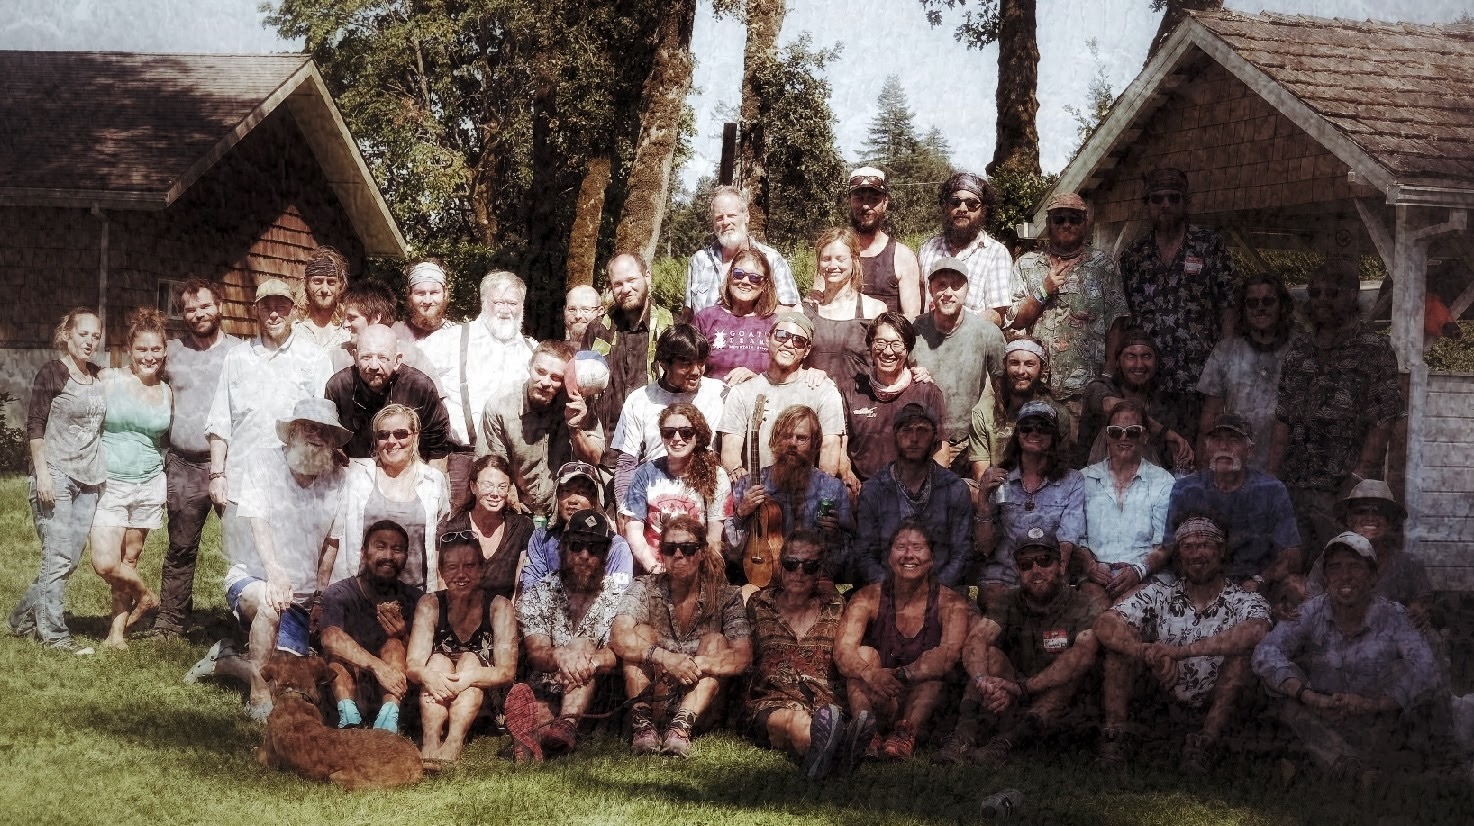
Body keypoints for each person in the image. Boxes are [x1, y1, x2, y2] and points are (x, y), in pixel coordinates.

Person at [189, 398, 350, 721]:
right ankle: (258, 699)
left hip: (301, 596)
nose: (316, 436)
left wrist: (319, 595)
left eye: (325, 431)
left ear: (333, 441)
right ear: (291, 435)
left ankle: (226, 661)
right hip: (254, 578)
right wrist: (274, 574)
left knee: (293, 677)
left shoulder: (337, 478)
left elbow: (332, 543)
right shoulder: (264, 463)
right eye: (308, 428)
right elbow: (258, 524)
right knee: (269, 603)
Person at [1253, 532, 1446, 780]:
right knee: (1275, 683)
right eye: (1335, 568)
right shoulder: (1312, 610)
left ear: (1373, 576)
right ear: (1326, 577)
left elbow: (1426, 667)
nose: (1345, 576)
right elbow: (1266, 651)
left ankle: (1328, 762)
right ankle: (1347, 766)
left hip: (1375, 719)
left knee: (1408, 674)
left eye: (1355, 566)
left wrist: (1372, 704)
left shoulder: (1394, 615)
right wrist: (1309, 696)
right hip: (1322, 715)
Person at [1095, 515, 1272, 773]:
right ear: (1179, 555)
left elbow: (1257, 630)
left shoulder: (1243, 599)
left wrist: (1178, 652)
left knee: (1241, 656)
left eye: (1205, 545)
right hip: (1163, 695)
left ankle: (1205, 743)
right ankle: (1115, 738)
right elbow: (1105, 623)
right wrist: (1145, 652)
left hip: (1216, 699)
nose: (1196, 554)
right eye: (1188, 547)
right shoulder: (1160, 594)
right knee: (1118, 649)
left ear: (1221, 551)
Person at [1271, 266, 1403, 567]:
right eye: (1314, 293)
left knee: (1343, 566)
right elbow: (1283, 416)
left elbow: (1384, 418)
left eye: (1332, 292)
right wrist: (1273, 476)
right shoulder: (1299, 348)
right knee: (1294, 567)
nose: (1321, 300)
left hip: (1341, 488)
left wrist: (1358, 476)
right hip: (1295, 483)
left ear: (1352, 295)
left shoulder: (1375, 348)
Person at [938, 531, 1103, 766]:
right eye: (1026, 564)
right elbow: (978, 639)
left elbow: (1083, 655)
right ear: (1018, 571)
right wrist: (982, 679)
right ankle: (963, 736)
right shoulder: (1009, 599)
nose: (1036, 570)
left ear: (1061, 565)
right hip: (1016, 693)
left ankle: (1007, 743)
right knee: (991, 656)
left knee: (1070, 671)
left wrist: (1022, 688)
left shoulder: (1081, 604)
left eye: (1044, 561)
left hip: (1064, 707)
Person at [610, 516, 753, 757]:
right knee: (640, 633)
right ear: (661, 553)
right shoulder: (644, 587)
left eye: (687, 549)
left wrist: (697, 663)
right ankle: (643, 726)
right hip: (655, 692)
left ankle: (680, 728)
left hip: (701, 703)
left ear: (701, 553)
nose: (678, 555)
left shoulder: (726, 595)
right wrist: (665, 658)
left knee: (715, 641)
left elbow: (743, 656)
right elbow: (619, 635)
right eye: (670, 548)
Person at [7, 307, 107, 654]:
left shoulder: (97, 376)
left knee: (68, 559)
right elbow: (35, 425)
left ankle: (20, 618)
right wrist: (43, 473)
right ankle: (54, 635)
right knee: (57, 556)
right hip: (57, 476)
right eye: (84, 334)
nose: (90, 341)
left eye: (96, 336)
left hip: (89, 480)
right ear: (67, 334)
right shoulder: (52, 373)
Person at [833, 522, 972, 763]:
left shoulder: (951, 602)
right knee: (864, 654)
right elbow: (843, 650)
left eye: (917, 547)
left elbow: (949, 654)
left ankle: (905, 735)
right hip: (881, 694)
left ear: (931, 557)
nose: (909, 555)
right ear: (889, 556)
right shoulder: (868, 596)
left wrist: (902, 675)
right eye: (901, 547)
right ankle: (867, 733)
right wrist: (870, 674)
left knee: (933, 671)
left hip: (924, 702)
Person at [150, 280, 240, 638]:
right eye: (189, 309)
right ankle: (171, 621)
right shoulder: (171, 352)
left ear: (220, 306)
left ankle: (247, 620)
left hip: (230, 466)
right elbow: (139, 373)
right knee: (181, 547)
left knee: (243, 544)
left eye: (204, 306)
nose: (198, 314)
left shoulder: (240, 353)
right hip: (184, 464)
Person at [1117, 167, 1236, 438]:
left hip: (1200, 379)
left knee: (1197, 456)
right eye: (1157, 199)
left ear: (1186, 202)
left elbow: (1228, 305)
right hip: (1147, 381)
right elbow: (1124, 317)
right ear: (1147, 205)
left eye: (1174, 198)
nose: (1166, 205)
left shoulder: (1209, 246)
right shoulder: (1133, 256)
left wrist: (1227, 362)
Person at [204, 277, 333, 526]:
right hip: (241, 486)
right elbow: (220, 422)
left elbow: (325, 427)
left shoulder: (314, 358)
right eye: (266, 307)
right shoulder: (236, 358)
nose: (274, 314)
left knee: (288, 563)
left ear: (294, 311)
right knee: (240, 562)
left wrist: (312, 476)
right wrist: (217, 474)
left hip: (294, 487)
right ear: (256, 311)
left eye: (281, 307)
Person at [1004, 192, 1128, 430]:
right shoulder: (1027, 264)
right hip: (1036, 389)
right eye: (1059, 219)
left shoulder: (1103, 265)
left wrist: (1109, 375)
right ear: (1048, 223)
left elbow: (1117, 323)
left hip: (1085, 389)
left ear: (1086, 223)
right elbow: (1016, 320)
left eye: (1075, 219)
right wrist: (1044, 289)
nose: (1067, 224)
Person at [514, 508, 630, 758]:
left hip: (597, 688)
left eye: (595, 548)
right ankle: (544, 735)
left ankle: (565, 725)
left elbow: (618, 650)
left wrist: (589, 660)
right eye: (577, 546)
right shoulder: (538, 594)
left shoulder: (620, 597)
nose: (585, 555)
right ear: (563, 548)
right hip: (548, 684)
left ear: (605, 554)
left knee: (582, 646)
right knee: (539, 713)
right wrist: (561, 656)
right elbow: (536, 653)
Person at [89, 309, 172, 650]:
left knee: (130, 559)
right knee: (105, 562)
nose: (149, 357)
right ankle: (147, 596)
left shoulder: (167, 390)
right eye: (142, 350)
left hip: (150, 482)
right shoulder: (109, 379)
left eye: (155, 350)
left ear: (164, 351)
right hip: (111, 480)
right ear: (130, 349)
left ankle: (116, 634)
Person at [421, 270, 536, 511]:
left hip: (513, 469)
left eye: (512, 303)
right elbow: (409, 361)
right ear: (484, 303)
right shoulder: (453, 339)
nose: (505, 309)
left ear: (522, 306)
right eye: (498, 302)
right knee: (451, 537)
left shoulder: (531, 351)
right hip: (462, 461)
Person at [744, 530, 849, 779]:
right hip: (771, 703)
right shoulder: (758, 605)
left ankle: (826, 754)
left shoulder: (836, 607)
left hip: (826, 704)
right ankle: (832, 762)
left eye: (809, 566)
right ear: (781, 566)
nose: (799, 572)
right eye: (791, 564)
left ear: (820, 570)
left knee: (820, 719)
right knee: (797, 722)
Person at [405, 532, 517, 764]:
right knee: (436, 662)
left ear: (481, 568)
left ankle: (454, 741)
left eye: (469, 566)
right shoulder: (430, 604)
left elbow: (506, 672)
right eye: (453, 567)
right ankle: (431, 740)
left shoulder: (499, 606)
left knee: (469, 659)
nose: (461, 575)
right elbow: (413, 665)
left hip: (484, 698)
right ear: (442, 572)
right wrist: (428, 675)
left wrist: (466, 678)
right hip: (439, 691)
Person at [1168, 412, 1301, 600]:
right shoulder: (1185, 489)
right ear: (1206, 447)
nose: (1223, 447)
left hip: (1254, 586)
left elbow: (1291, 556)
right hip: (1198, 584)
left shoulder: (1272, 490)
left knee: (1297, 588)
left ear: (1249, 450)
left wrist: (1260, 580)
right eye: (1216, 440)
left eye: (1234, 440)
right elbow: (1170, 548)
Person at [975, 401, 1085, 610]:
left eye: (1042, 427)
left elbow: (1068, 537)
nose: (1034, 432)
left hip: (1050, 572)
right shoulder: (999, 478)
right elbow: (985, 547)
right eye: (1027, 427)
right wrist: (983, 500)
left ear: (1054, 436)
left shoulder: (1073, 481)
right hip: (1005, 573)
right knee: (997, 606)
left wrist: (1046, 575)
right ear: (1017, 434)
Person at [853, 403, 973, 589]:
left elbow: (962, 552)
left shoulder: (954, 488)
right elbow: (865, 554)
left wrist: (934, 592)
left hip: (942, 590)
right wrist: (891, 591)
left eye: (922, 431)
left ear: (934, 437)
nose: (914, 438)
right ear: (895, 436)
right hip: (887, 590)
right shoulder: (874, 490)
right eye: (906, 430)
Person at [727, 406, 853, 582]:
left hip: (812, 583)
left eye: (801, 438)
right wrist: (740, 515)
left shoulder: (832, 489)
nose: (792, 443)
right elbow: (732, 554)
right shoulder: (749, 484)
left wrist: (834, 535)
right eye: (786, 436)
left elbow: (847, 560)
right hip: (761, 579)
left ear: (815, 445)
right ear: (775, 440)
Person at [319, 520, 423, 732]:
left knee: (394, 645)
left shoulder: (414, 599)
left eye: (397, 549)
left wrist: (404, 636)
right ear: (363, 552)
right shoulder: (339, 593)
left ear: (405, 558)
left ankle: (388, 720)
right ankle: (348, 718)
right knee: (338, 656)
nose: (388, 556)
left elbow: (422, 655)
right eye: (380, 546)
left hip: (393, 688)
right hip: (348, 684)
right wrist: (376, 666)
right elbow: (329, 637)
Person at [334, 404, 451, 591]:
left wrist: (439, 597)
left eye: (401, 434)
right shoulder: (356, 476)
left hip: (416, 595)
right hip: (362, 596)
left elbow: (439, 545)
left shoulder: (433, 481)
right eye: (383, 435)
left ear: (415, 436)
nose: (391, 441)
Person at [481, 339, 603, 517]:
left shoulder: (578, 402)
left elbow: (594, 458)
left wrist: (575, 428)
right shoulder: (501, 405)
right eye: (540, 372)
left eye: (556, 378)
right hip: (517, 508)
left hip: (565, 511)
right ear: (529, 366)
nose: (546, 382)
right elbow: (493, 466)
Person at [609, 324, 726, 509]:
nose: (696, 371)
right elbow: (626, 463)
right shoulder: (640, 399)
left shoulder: (719, 393)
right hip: (650, 496)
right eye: (686, 364)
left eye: (701, 362)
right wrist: (626, 510)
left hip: (700, 495)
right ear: (664, 363)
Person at [717, 313, 846, 476]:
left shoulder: (823, 391)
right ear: (767, 338)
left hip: (805, 493)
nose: (789, 344)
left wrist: (819, 492)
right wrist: (746, 485)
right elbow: (730, 452)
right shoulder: (743, 392)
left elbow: (830, 447)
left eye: (798, 341)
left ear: (806, 350)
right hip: (757, 493)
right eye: (782, 336)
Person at [911, 257, 1006, 474]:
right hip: (925, 441)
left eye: (956, 285)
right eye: (941, 285)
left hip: (971, 443)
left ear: (967, 290)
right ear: (930, 288)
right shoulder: (913, 330)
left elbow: (1004, 392)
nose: (948, 292)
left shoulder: (987, 333)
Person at [1195, 273, 1297, 469]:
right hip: (1233, 467)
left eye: (1268, 301)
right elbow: (1210, 415)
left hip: (1286, 467)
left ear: (1282, 306)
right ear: (1243, 308)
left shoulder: (1299, 350)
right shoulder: (1225, 351)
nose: (1260, 307)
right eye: (1252, 302)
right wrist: (1202, 470)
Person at [1078, 400, 1175, 604]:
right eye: (1115, 432)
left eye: (1132, 432)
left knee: (1124, 614)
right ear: (1106, 436)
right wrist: (1091, 566)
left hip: (1147, 577)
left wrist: (1138, 571)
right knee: (1094, 613)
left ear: (1145, 436)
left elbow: (1166, 544)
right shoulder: (1084, 479)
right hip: (1096, 577)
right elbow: (1077, 538)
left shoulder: (1163, 481)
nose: (1123, 437)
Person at [622, 404, 732, 575]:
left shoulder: (716, 475)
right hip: (655, 568)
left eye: (686, 432)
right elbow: (634, 531)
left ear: (698, 435)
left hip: (696, 570)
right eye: (669, 432)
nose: (677, 438)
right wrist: (653, 567)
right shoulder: (645, 473)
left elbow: (714, 539)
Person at [1306, 480, 1432, 630]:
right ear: (1349, 520)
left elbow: (1422, 608)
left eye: (1379, 511)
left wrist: (1418, 613)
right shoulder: (1327, 562)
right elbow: (1310, 606)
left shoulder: (1410, 564)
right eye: (1362, 510)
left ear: (1390, 522)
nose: (1370, 517)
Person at [840, 312, 946, 484]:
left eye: (897, 344)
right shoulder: (850, 390)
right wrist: (847, 475)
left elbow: (941, 452)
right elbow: (841, 447)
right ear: (870, 346)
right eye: (880, 342)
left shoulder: (927, 392)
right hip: (863, 487)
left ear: (908, 349)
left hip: (912, 489)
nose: (888, 351)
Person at [324, 324, 455, 462]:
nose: (374, 366)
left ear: (397, 360)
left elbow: (437, 449)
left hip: (409, 470)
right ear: (356, 357)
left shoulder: (419, 387)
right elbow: (330, 444)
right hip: (356, 472)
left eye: (382, 358)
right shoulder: (337, 388)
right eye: (366, 357)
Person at [583, 253, 674, 437]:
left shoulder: (671, 328)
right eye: (618, 284)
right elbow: (583, 387)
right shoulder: (597, 330)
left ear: (647, 276)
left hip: (657, 446)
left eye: (631, 280)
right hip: (607, 450)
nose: (625, 289)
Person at [1078, 329, 1193, 472]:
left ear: (1156, 362)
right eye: (1130, 356)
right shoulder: (1098, 388)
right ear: (1118, 362)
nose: (1139, 364)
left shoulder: (1165, 407)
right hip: (1097, 483)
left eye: (1146, 356)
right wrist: (1165, 433)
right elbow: (1113, 407)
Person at [916, 172, 1015, 325]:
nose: (962, 208)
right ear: (946, 207)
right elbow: (918, 302)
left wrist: (957, 331)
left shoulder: (996, 253)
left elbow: (997, 314)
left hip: (971, 342)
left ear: (984, 211)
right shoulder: (928, 249)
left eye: (972, 204)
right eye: (955, 202)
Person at [521, 462, 635, 591]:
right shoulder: (542, 538)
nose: (573, 500)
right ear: (557, 497)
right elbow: (530, 588)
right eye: (566, 491)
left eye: (581, 492)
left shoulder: (616, 545)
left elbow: (619, 596)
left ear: (594, 501)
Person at [685, 185, 799, 315]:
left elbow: (791, 312)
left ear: (746, 217)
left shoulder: (772, 259)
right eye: (719, 217)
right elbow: (688, 314)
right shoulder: (700, 260)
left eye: (731, 215)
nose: (725, 222)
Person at [968, 338, 1072, 473]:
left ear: (1042, 370)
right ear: (1004, 366)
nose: (1020, 371)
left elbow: (1060, 468)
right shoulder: (984, 412)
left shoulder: (1058, 414)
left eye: (1029, 364)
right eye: (1014, 363)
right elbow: (982, 475)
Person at [440, 455, 534, 601]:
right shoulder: (453, 529)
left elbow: (519, 588)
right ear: (473, 487)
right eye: (487, 485)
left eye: (502, 487)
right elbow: (444, 587)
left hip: (504, 616)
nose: (495, 493)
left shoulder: (521, 528)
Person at [803, 227, 885, 387]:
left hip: (861, 404)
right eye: (826, 259)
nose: (833, 265)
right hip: (815, 402)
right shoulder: (805, 311)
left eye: (840, 259)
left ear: (854, 260)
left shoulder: (875, 310)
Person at [691, 247, 779, 383]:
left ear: (764, 285)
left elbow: (785, 375)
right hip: (713, 400)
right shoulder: (706, 319)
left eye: (754, 278)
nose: (745, 281)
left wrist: (756, 381)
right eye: (738, 274)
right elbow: (687, 366)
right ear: (730, 276)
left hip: (758, 399)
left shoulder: (774, 324)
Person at [846, 166, 922, 316]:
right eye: (859, 198)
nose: (866, 206)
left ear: (885, 203)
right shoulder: (836, 252)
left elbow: (912, 320)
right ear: (850, 201)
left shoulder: (902, 256)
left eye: (874, 199)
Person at [331, 280, 438, 380]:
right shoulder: (336, 357)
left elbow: (436, 399)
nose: (345, 324)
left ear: (376, 318)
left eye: (352, 318)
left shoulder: (413, 357)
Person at [293, 245, 352, 349]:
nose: (324, 289)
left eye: (331, 282)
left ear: (341, 285)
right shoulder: (293, 333)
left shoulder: (349, 335)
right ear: (306, 283)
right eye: (317, 281)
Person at [392, 258, 459, 344]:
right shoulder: (396, 334)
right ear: (409, 293)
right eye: (420, 293)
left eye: (434, 293)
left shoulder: (456, 335)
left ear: (445, 293)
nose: (427, 301)